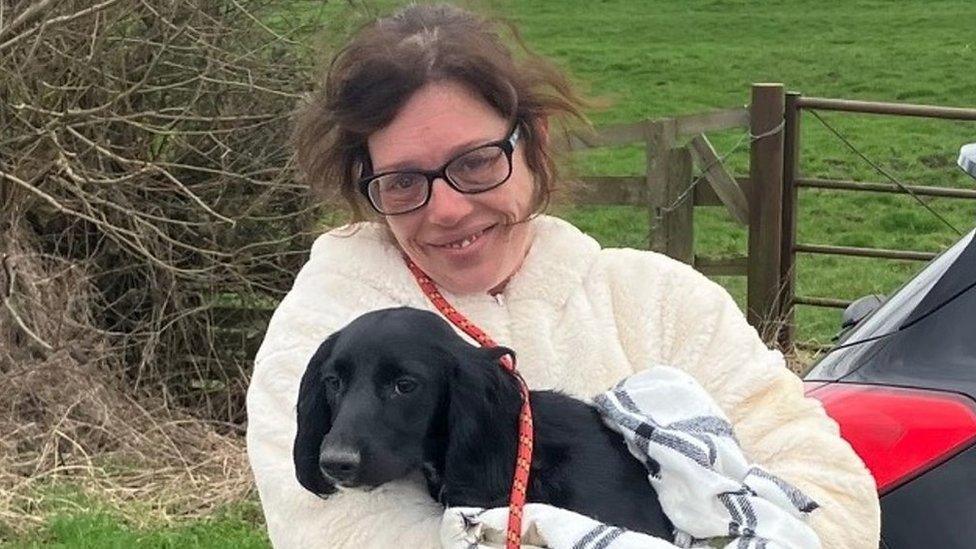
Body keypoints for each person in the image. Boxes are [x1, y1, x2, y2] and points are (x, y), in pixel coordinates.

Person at [246, 4, 880, 548]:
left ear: (536, 143)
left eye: (476, 162)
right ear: (367, 183)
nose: (447, 208)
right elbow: (339, 530)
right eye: (404, 181)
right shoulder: (324, 324)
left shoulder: (662, 301)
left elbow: (826, 491)